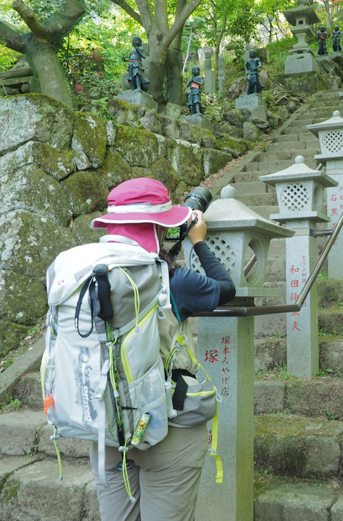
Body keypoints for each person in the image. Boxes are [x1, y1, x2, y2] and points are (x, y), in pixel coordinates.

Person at [89, 177, 236, 521]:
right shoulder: (174, 281)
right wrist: (197, 242)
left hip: (106, 428)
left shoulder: (89, 275)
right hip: (167, 429)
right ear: (158, 227)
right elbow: (225, 287)